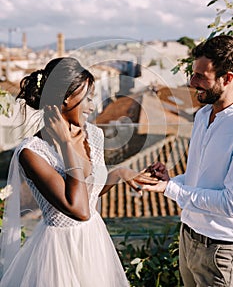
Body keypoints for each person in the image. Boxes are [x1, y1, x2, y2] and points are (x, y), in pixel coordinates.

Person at [0, 57, 156, 287]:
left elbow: (89, 194)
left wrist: (120, 173)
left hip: (93, 241)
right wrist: (66, 144)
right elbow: (79, 210)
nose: (92, 107)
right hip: (57, 252)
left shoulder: (93, 135)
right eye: (87, 99)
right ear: (63, 100)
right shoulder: (32, 153)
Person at [142, 35, 233, 286]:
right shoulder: (203, 115)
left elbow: (230, 203)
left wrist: (170, 189)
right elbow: (200, 180)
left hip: (220, 250)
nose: (192, 82)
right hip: (188, 237)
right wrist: (170, 179)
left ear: (228, 78)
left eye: (201, 76)